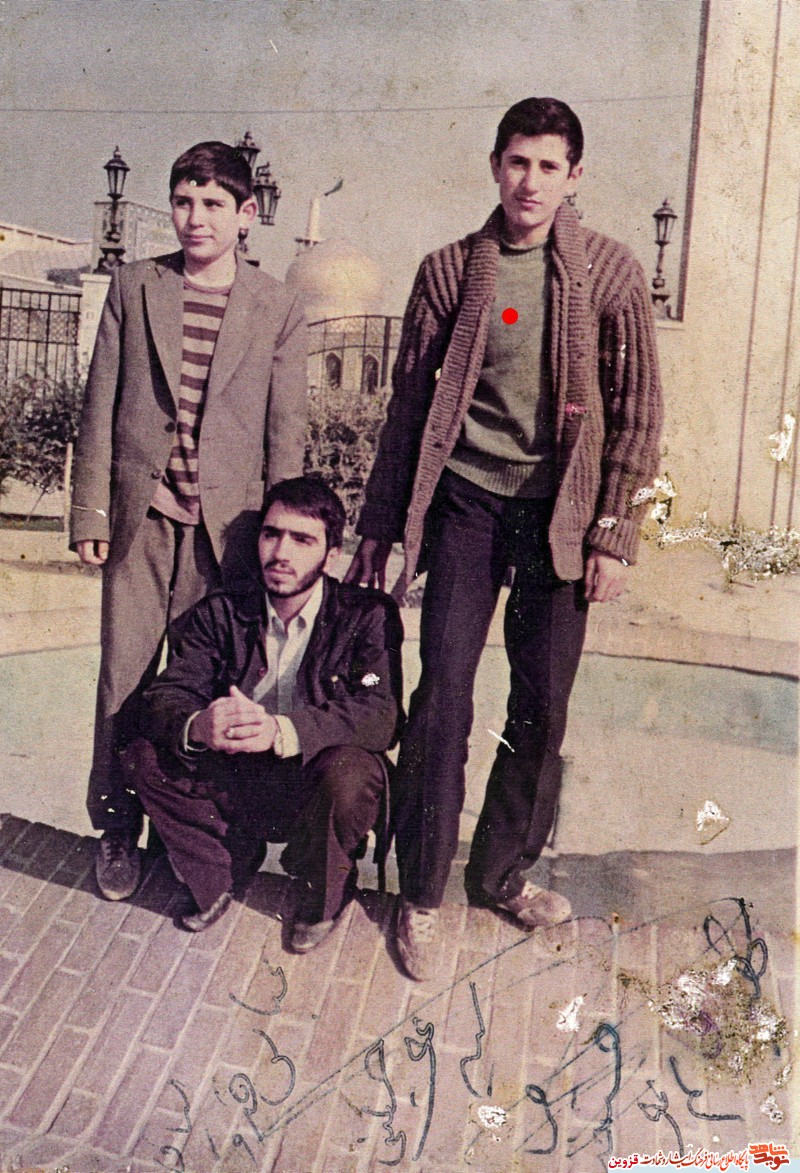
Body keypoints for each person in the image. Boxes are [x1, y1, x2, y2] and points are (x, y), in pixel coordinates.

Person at [346, 97, 664, 980]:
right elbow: (408, 409)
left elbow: (638, 412)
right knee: (444, 694)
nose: (530, 181)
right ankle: (421, 892)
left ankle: (500, 875)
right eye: (517, 162)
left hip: (558, 513)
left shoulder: (612, 273)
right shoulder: (449, 271)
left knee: (542, 705)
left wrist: (614, 532)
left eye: (549, 166)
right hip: (467, 506)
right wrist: (379, 525)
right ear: (495, 166)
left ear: (574, 176)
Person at [69, 141, 308, 902]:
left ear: (246, 215)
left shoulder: (276, 305)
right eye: (183, 201)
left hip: (227, 535)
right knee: (125, 676)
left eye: (213, 204)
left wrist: (282, 541)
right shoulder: (136, 286)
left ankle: (197, 838)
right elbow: (100, 403)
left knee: (206, 685)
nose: (195, 218)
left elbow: (286, 433)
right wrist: (91, 510)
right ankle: (116, 828)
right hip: (142, 521)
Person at [123, 477, 403, 949]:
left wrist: (281, 730)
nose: (281, 553)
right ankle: (220, 870)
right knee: (142, 755)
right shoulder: (222, 611)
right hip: (238, 778)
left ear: (332, 554)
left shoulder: (365, 615)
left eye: (302, 540)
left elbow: (380, 712)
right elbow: (169, 693)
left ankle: (322, 895)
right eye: (271, 534)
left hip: (312, 779)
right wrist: (200, 725)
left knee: (353, 772)